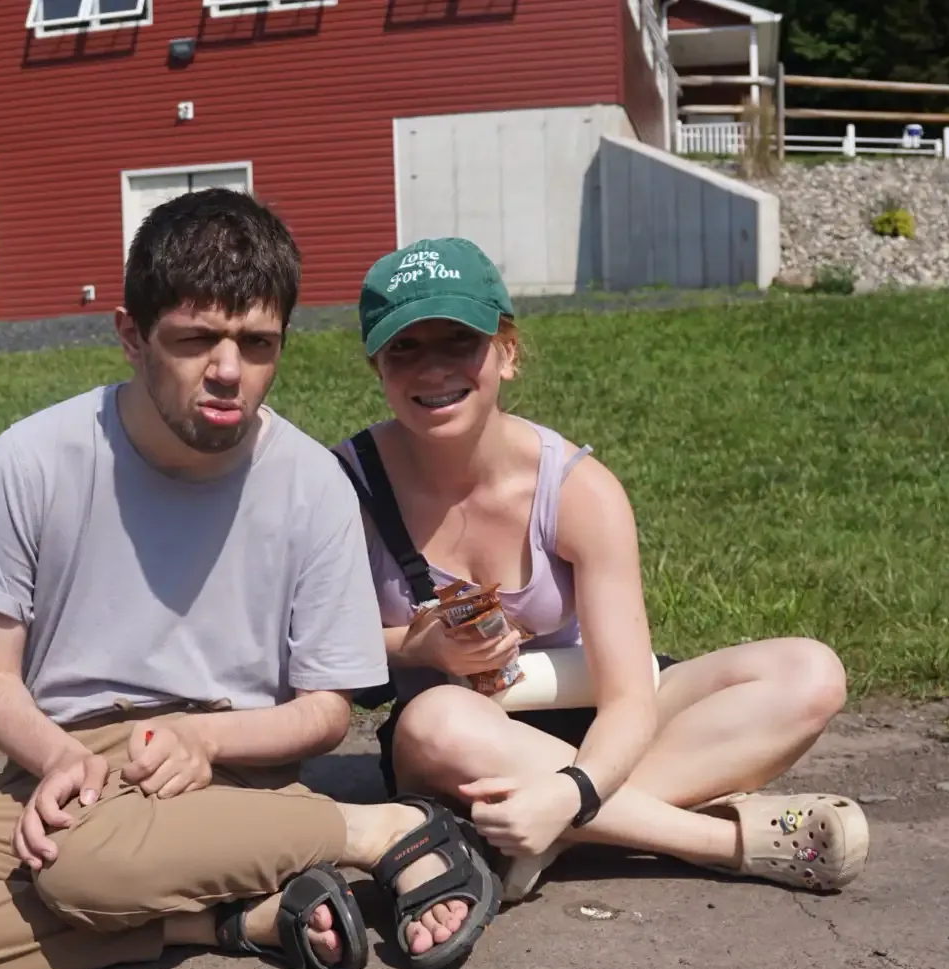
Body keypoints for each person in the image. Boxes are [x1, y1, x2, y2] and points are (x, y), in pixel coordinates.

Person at [0, 192, 503, 969]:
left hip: (231, 769)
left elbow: (325, 710)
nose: (229, 372)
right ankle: (227, 915)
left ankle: (376, 831)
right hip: (68, 765)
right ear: (132, 337)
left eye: (257, 344)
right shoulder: (32, 459)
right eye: (196, 340)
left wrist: (204, 741)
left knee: (76, 870)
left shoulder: (313, 485)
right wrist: (57, 757)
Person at [330, 236, 870, 905]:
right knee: (436, 718)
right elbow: (305, 655)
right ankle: (724, 843)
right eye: (404, 348)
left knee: (809, 672)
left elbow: (627, 698)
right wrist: (418, 646)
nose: (432, 370)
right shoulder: (343, 489)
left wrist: (569, 793)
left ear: (507, 352)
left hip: (594, 722)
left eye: (458, 343)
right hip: (460, 747)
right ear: (376, 367)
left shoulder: (579, 490)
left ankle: (549, 833)